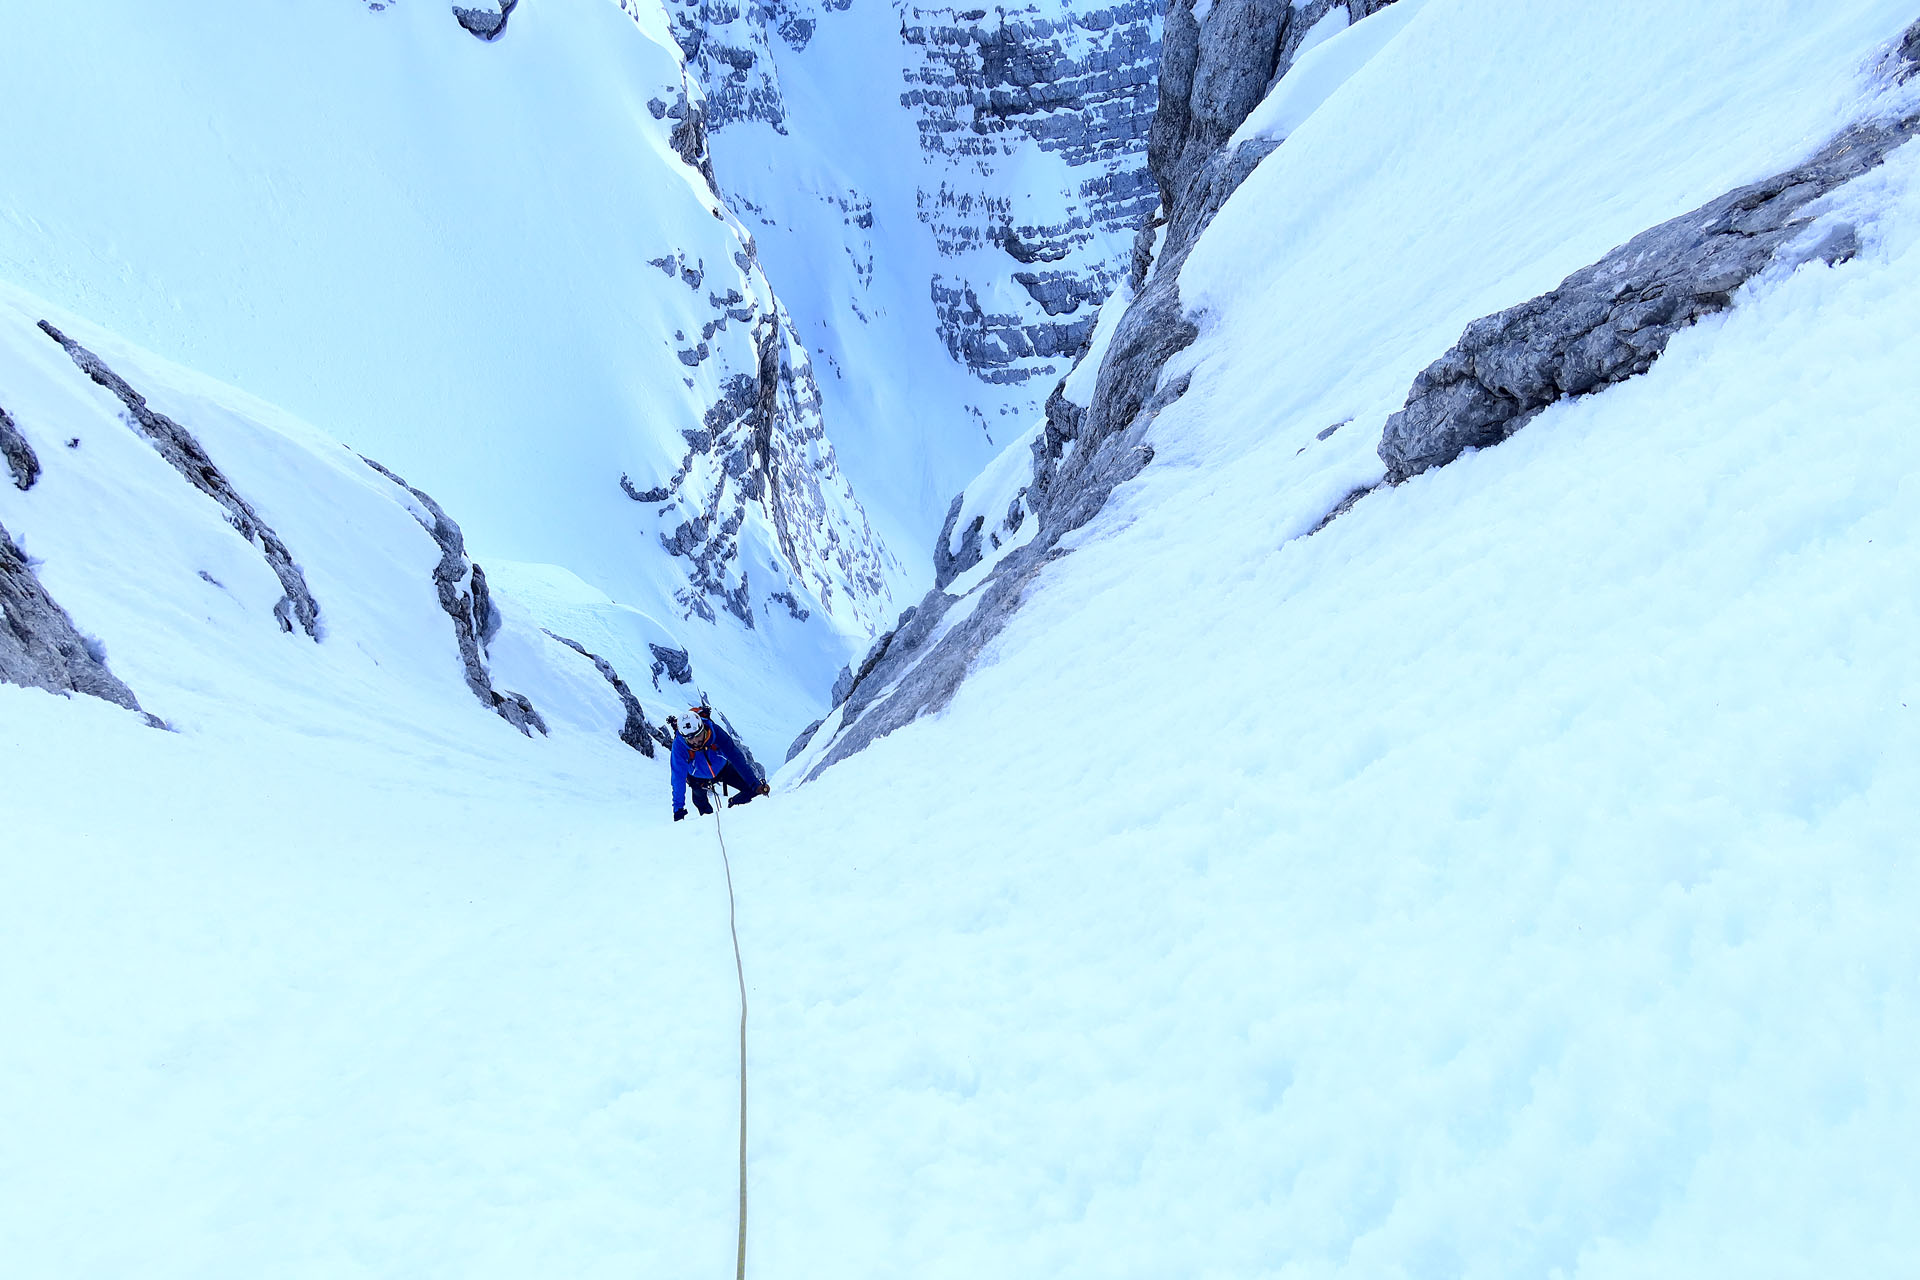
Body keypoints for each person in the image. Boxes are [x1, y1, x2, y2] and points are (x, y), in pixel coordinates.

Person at [671, 704, 770, 821]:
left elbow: (736, 757)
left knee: (751, 790)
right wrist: (678, 809)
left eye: (697, 735)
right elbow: (678, 777)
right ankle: (707, 822)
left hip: (722, 769)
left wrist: (755, 784)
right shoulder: (679, 746)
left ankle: (734, 803)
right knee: (701, 804)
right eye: (690, 738)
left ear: (702, 728)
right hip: (698, 778)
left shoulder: (715, 732)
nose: (695, 741)